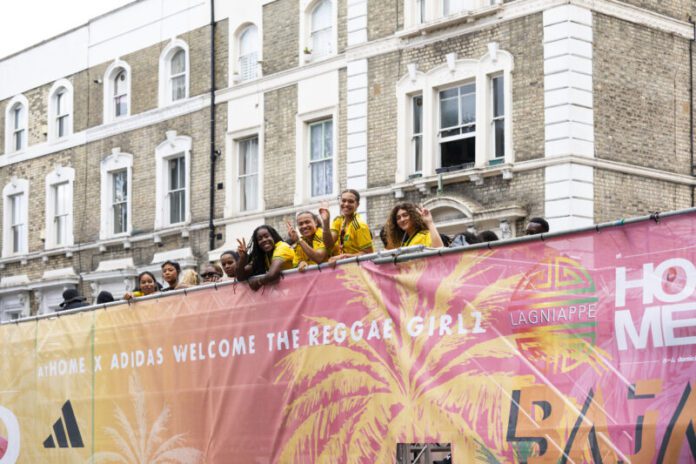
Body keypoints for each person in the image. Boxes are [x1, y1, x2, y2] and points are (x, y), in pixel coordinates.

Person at [320, 189, 374, 263]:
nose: (346, 204)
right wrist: (326, 223)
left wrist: (344, 256)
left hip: (360, 269)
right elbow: (329, 245)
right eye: (343, 200)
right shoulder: (338, 221)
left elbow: (369, 254)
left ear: (357, 204)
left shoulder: (360, 225)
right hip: (345, 269)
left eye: (351, 201)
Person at [236, 225, 295, 291]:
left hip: (299, 288)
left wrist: (258, 282)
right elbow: (240, 277)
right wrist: (242, 258)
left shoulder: (282, 247)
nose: (264, 240)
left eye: (267, 236)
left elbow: (272, 274)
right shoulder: (263, 256)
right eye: (260, 239)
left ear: (273, 236)